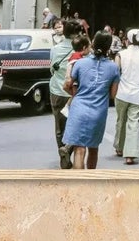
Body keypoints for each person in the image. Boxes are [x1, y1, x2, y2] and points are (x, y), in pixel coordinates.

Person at [62, 32, 121, 170]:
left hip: (78, 109)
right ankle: (91, 183)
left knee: (79, 150)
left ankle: (79, 186)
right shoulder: (114, 68)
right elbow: (113, 94)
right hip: (98, 111)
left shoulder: (80, 63)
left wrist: (75, 95)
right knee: (93, 149)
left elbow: (66, 85)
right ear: (108, 48)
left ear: (93, 44)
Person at [113, 29, 139, 165]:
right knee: (133, 123)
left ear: (128, 40)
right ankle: (130, 155)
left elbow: (114, 73)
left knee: (121, 120)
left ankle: (119, 148)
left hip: (121, 93)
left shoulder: (120, 54)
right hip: (138, 94)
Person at [48, 23, 82, 169]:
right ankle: (68, 149)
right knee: (78, 125)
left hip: (56, 90)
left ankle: (63, 154)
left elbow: (51, 69)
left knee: (59, 126)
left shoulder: (55, 49)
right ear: (76, 34)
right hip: (75, 93)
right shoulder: (81, 51)